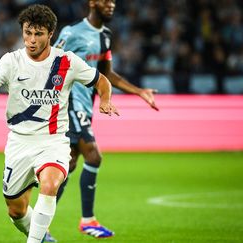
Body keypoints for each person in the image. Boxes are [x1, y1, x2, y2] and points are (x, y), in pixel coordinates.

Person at [0, 4, 119, 243]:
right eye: (27, 32)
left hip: (53, 141)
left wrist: (105, 99)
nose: (31, 40)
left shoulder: (67, 62)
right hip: (19, 142)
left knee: (50, 184)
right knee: (16, 210)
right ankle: (42, 238)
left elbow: (102, 80)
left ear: (50, 34)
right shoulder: (11, 61)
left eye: (38, 34)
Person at [44, 0, 159, 241]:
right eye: (106, 1)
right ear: (93, 2)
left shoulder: (105, 36)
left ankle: (39, 224)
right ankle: (87, 221)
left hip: (87, 105)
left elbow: (106, 74)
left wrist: (138, 91)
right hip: (69, 104)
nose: (111, 5)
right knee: (93, 155)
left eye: (113, 2)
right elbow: (50, 64)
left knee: (69, 165)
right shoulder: (71, 33)